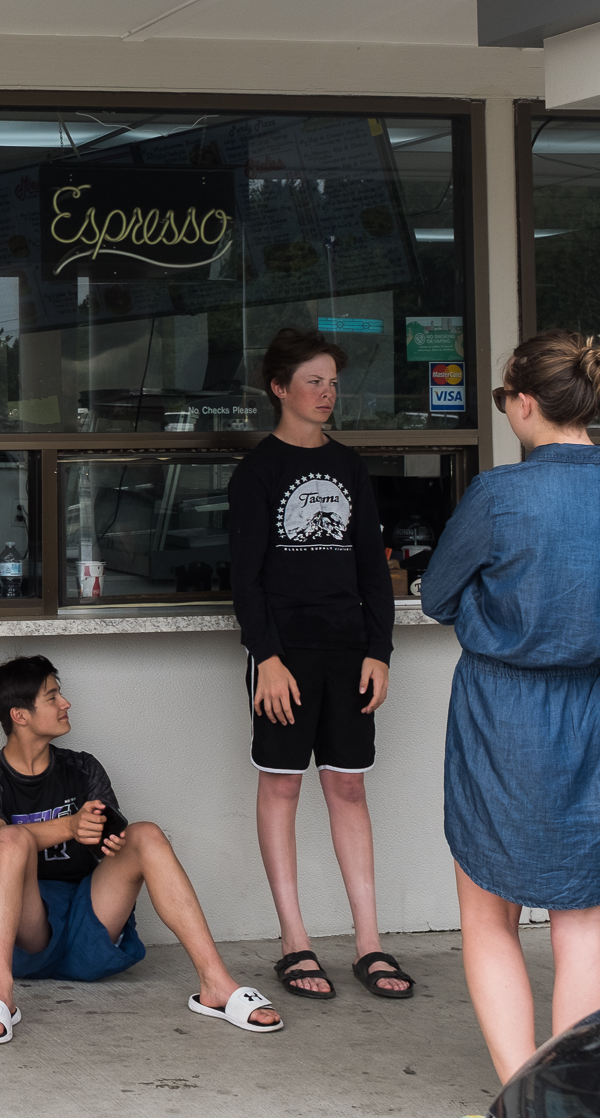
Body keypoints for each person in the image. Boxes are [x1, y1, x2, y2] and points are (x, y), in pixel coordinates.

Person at [422, 330, 600, 1082]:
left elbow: (435, 594)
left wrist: (489, 620)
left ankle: (521, 1091)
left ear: (525, 402)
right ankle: (570, 1099)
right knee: (584, 920)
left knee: (490, 913)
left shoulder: (501, 493)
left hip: (508, 716)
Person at [0, 655, 282, 1043]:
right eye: (53, 696)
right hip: (24, 934)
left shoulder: (83, 768)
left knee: (146, 834)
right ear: (20, 715)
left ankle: (217, 984)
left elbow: (112, 844)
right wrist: (71, 826)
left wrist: (104, 835)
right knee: (11, 838)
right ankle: (0, 993)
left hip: (89, 925)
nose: (66, 704)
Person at [226, 329, 412, 1004]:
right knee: (281, 787)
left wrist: (379, 651)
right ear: (279, 387)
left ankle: (369, 942)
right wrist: (266, 656)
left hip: (348, 652)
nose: (327, 393)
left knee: (349, 789)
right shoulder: (258, 473)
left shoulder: (351, 468)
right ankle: (294, 940)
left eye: (332, 381)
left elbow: (372, 568)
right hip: (285, 656)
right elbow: (245, 580)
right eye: (313, 380)